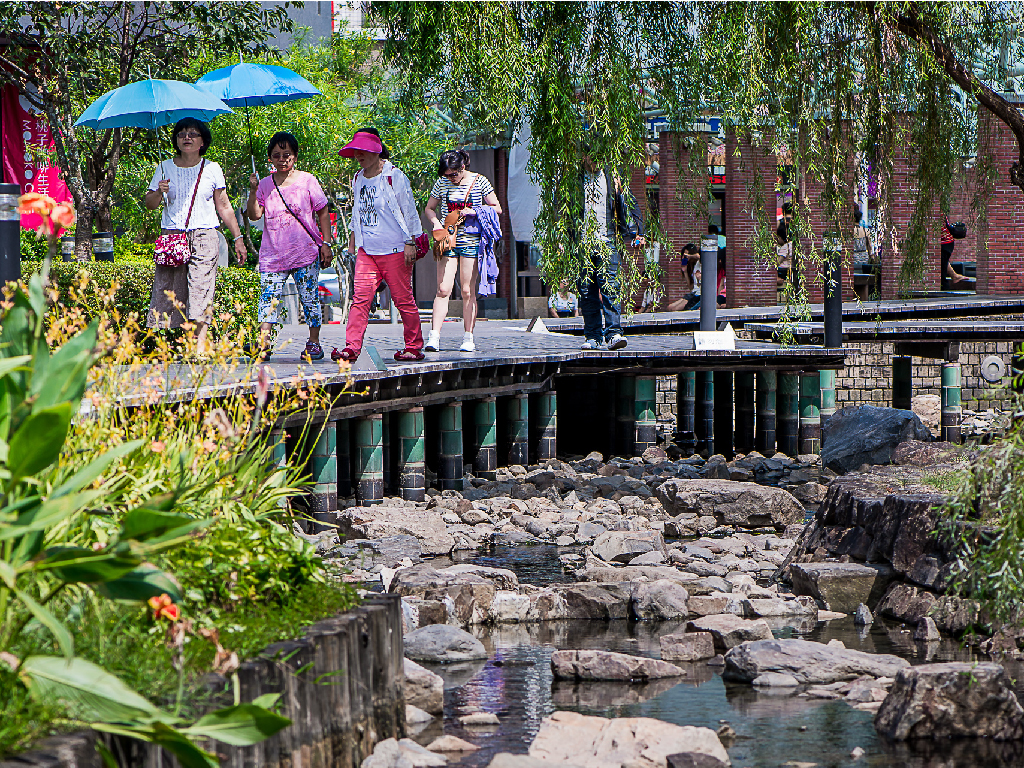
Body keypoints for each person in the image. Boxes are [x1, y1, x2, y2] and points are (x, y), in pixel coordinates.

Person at [144, 117, 246, 351]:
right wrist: (159, 192)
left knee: (200, 289)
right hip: (173, 237)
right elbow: (149, 203)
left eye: (193, 134)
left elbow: (224, 206)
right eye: (181, 134)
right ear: (176, 141)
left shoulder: (212, 168)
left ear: (202, 141)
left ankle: (199, 348)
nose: (187, 138)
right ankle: (182, 345)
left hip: (204, 235)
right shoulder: (164, 167)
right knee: (174, 291)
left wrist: (238, 238)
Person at [333, 127, 425, 362]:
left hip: (395, 248)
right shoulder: (357, 178)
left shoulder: (394, 176)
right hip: (368, 250)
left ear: (376, 151)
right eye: (355, 151)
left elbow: (410, 211)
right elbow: (357, 213)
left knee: (403, 298)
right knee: (360, 298)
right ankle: (351, 347)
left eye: (363, 150)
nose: (359, 156)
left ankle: (413, 346)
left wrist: (410, 242)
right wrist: (352, 245)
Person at [246, 131, 334, 361]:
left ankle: (314, 342)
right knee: (268, 299)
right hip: (273, 254)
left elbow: (322, 211)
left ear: (295, 156)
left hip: (305, 252)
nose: (282, 159)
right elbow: (255, 215)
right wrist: (254, 190)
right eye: (276, 155)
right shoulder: (264, 184)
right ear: (270, 159)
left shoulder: (308, 180)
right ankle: (263, 344)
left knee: (309, 298)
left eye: (287, 154)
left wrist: (326, 243)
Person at [424, 149, 502, 353]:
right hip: (448, 237)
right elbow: (429, 208)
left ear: (463, 167)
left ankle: (468, 337)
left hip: (471, 239)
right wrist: (435, 223)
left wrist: (475, 211)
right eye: (447, 175)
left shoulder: (479, 181)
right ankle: (434, 337)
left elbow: (497, 207)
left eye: (454, 174)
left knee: (467, 290)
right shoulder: (442, 183)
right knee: (443, 289)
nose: (451, 178)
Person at [577, 160, 645, 350]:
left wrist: (637, 233)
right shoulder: (574, 179)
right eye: (590, 156)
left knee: (610, 289)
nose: (594, 161)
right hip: (582, 244)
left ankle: (614, 333)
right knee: (586, 291)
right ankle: (593, 336)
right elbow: (562, 211)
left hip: (607, 241)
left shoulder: (613, 176)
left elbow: (629, 204)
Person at [667, 243, 699, 311]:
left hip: (698, 294)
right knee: (669, 307)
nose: (685, 257)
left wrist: (689, 256)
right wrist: (685, 272)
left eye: (687, 255)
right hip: (693, 292)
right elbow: (690, 287)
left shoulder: (699, 263)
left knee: (675, 309)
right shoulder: (691, 267)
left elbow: (698, 256)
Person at [941, 215, 968, 289]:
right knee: (943, 263)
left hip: (945, 243)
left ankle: (944, 290)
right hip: (946, 242)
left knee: (941, 272)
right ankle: (954, 276)